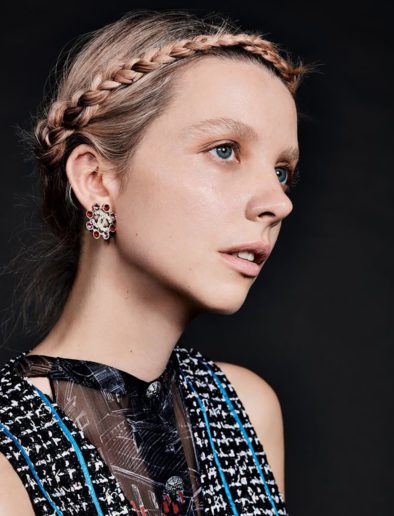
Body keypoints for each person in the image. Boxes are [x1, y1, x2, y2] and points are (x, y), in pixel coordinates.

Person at [0, 8, 312, 515]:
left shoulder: (245, 412)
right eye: (225, 150)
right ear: (96, 180)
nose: (278, 202)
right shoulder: (8, 450)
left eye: (281, 171)